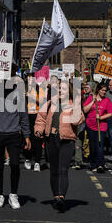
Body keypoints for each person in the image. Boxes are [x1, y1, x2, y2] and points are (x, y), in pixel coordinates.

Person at [35, 80, 85, 212]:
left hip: (67, 140)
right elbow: (41, 118)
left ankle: (61, 196)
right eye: (59, 89)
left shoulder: (73, 104)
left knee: (63, 169)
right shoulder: (51, 103)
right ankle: (56, 196)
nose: (61, 91)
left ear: (68, 91)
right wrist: (39, 129)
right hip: (52, 139)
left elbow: (77, 121)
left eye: (64, 89)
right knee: (54, 170)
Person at [0, 71, 31, 210]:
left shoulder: (18, 93)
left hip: (13, 133)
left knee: (14, 164)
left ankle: (13, 194)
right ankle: (0, 195)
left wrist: (26, 135)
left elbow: (24, 115)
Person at [83, 83, 112, 173]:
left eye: (105, 90)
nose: (104, 92)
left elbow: (110, 113)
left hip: (101, 126)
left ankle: (100, 164)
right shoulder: (90, 98)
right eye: (102, 90)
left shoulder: (107, 100)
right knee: (93, 146)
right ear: (98, 90)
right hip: (91, 125)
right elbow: (85, 110)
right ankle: (93, 164)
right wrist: (93, 101)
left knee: (100, 145)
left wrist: (101, 118)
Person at [25, 75, 46, 172]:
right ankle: (28, 158)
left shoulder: (39, 89)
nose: (30, 81)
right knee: (26, 138)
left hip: (37, 115)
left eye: (32, 79)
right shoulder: (23, 89)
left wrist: (30, 96)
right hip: (26, 116)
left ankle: (37, 162)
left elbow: (42, 101)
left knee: (37, 139)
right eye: (28, 79)